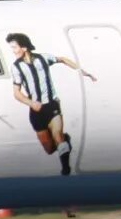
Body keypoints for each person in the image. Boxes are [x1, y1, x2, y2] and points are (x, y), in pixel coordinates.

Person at [6, 33, 96, 175]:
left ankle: (65, 168)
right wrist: (31, 103)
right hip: (36, 110)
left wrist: (82, 71)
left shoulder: (43, 58)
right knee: (49, 149)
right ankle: (66, 142)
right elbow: (17, 93)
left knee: (57, 136)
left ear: (24, 47)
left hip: (52, 105)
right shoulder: (17, 67)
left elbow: (63, 59)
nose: (13, 51)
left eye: (15, 48)